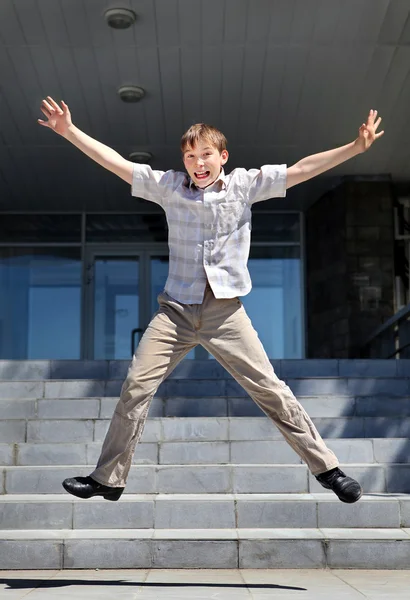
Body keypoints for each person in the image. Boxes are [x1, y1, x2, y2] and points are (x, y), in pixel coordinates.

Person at [38, 97, 384, 504]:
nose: (197, 163)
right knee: (135, 386)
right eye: (190, 156)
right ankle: (109, 479)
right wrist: (70, 132)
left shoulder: (244, 185)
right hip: (176, 311)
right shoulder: (169, 187)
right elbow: (117, 164)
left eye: (205, 155)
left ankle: (328, 469)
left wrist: (354, 148)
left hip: (225, 314)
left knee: (269, 388)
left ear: (222, 157)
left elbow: (301, 170)